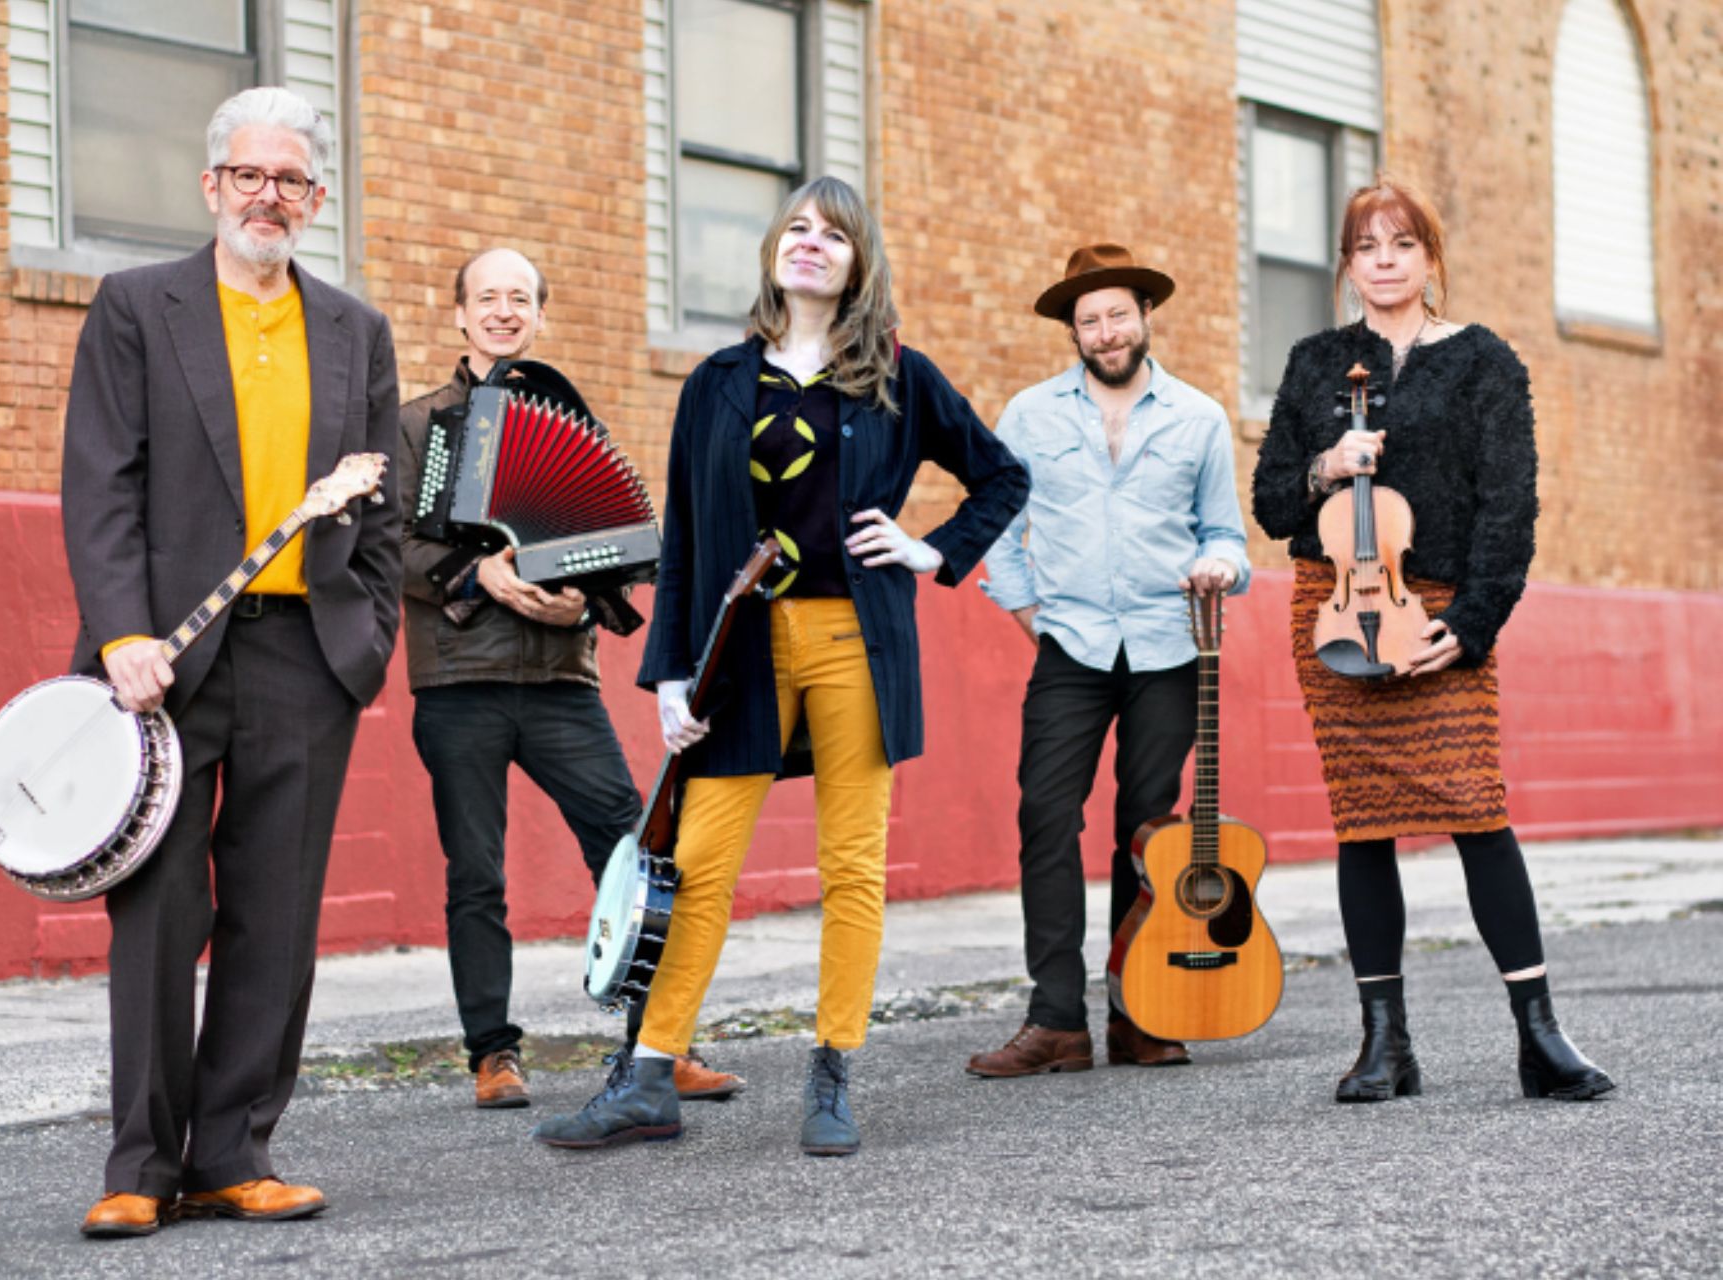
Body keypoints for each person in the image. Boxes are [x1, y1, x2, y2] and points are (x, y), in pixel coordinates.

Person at [533, 175, 1028, 1156]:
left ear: (857, 263)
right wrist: (672, 672)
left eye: (832, 234)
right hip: (740, 649)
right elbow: (685, 535)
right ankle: (647, 1077)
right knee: (702, 862)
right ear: (774, 251)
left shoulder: (898, 373)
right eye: (796, 227)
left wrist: (931, 548)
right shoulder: (718, 380)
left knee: (853, 865)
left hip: (855, 638)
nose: (810, 243)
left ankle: (833, 1069)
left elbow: (1002, 473)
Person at [61, 87, 402, 1237]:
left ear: (315, 198)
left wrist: (370, 629)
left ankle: (235, 1150)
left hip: (308, 654)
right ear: (212, 186)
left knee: (276, 914)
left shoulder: (357, 330)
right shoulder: (135, 308)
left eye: (292, 179)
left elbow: (385, 507)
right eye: (250, 175)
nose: (271, 195)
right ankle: (140, 1164)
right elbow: (100, 481)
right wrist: (117, 635)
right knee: (159, 908)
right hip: (162, 660)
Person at [1250, 175, 1613, 1103]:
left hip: (1441, 614)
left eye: (1401, 244)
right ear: (1346, 264)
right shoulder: (1315, 362)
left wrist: (1475, 623)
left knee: (1477, 810)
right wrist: (1329, 464)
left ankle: (1540, 1038)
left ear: (1430, 257)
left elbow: (1511, 504)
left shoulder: (1484, 361)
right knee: (1361, 823)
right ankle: (1386, 1045)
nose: (1383, 261)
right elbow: (1269, 503)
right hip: (1334, 605)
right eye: (1366, 246)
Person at [397, 247, 742, 1109]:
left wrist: (580, 611)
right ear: (459, 315)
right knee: (476, 873)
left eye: (520, 299)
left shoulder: (569, 419)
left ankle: (656, 1045)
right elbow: (382, 547)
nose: (503, 311)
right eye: (487, 298)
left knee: (632, 851)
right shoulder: (413, 425)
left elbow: (620, 552)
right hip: (458, 684)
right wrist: (477, 575)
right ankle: (493, 1054)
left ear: (540, 317)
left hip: (560, 682)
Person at [966, 244, 1252, 1080]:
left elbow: (1226, 534)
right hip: (1073, 646)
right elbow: (998, 519)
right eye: (1088, 320)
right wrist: (1025, 610)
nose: (1105, 331)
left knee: (1148, 832)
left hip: (1170, 646)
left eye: (1117, 314)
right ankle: (1056, 1020)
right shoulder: (1028, 415)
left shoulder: (1198, 417)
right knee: (1045, 814)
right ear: (1073, 331)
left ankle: (1139, 1011)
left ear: (1144, 317)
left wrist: (1222, 568)